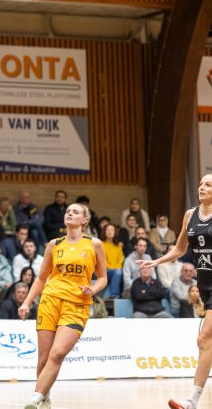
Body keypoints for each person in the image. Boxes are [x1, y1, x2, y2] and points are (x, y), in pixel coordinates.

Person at [19, 203, 107, 409]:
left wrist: (93, 289)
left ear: (84, 220)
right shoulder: (54, 244)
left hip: (76, 304)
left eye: (75, 212)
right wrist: (27, 301)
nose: (70, 213)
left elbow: (103, 277)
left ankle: (35, 399)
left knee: (57, 353)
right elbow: (41, 278)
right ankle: (45, 400)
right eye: (68, 211)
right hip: (50, 301)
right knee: (43, 359)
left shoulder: (94, 244)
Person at [138, 174, 212, 409]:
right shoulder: (190, 215)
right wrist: (157, 261)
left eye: (208, 185)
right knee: (205, 342)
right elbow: (180, 249)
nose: (202, 187)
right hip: (206, 285)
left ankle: (191, 402)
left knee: (204, 339)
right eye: (200, 184)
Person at [101, 223, 124, 298]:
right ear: (104, 232)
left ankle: (117, 295)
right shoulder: (101, 244)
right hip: (104, 271)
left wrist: (116, 268)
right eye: (107, 230)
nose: (110, 232)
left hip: (116, 271)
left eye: (112, 230)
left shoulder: (118, 245)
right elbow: (101, 259)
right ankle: (115, 294)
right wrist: (112, 268)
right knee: (118, 272)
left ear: (115, 232)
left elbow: (120, 260)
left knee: (119, 272)